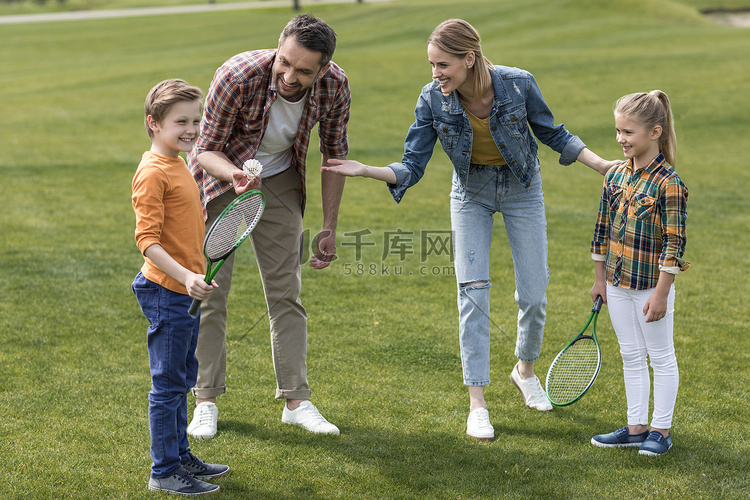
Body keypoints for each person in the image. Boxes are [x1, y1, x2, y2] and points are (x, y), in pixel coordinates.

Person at [322, 19, 617, 442]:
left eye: (442, 64)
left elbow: (552, 132)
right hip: (470, 195)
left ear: (469, 58)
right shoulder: (432, 99)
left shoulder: (517, 84)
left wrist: (602, 165)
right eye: (431, 65)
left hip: (522, 190)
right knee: (472, 293)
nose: (435, 73)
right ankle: (477, 403)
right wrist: (367, 170)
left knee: (534, 294)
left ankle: (524, 371)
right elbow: (413, 163)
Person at [185, 14, 350, 439]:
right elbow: (204, 148)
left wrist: (329, 224)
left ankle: (297, 400)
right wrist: (234, 176)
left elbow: (334, 156)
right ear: (278, 49)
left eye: (304, 71)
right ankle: (205, 401)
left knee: (286, 292)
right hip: (221, 176)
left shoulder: (335, 86)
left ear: (324, 69)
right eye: (285, 63)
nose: (290, 76)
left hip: (281, 180)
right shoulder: (237, 75)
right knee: (211, 291)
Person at [131, 79, 230, 495]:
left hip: (183, 291)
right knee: (168, 385)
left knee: (182, 378)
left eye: (196, 119)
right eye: (180, 122)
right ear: (154, 124)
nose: (191, 129)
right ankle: (164, 471)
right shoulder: (153, 173)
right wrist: (186, 276)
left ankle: (181, 456)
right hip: (167, 290)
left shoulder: (181, 163)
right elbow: (147, 240)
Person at [589, 90, 689, 456]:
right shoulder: (614, 175)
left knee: (660, 356)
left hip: (651, 287)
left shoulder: (669, 183)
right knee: (630, 355)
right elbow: (602, 229)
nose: (620, 139)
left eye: (628, 132)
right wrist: (600, 279)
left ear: (655, 132)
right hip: (616, 283)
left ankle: (660, 431)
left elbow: (674, 243)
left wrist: (662, 292)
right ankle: (635, 428)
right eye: (618, 131)